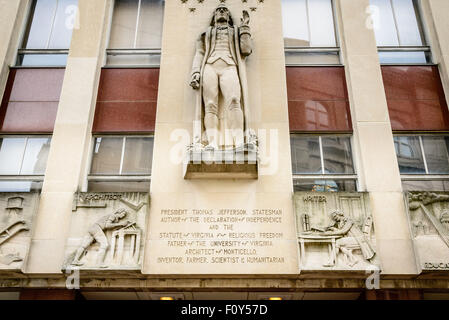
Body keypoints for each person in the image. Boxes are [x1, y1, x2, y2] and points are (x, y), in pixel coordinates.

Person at [190, 4, 253, 151]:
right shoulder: (205, 34)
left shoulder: (235, 31)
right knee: (210, 105)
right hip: (209, 67)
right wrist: (195, 72)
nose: (222, 11)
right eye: (218, 10)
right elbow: (199, 53)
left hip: (229, 66)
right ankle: (212, 142)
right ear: (214, 16)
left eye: (225, 10)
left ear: (229, 16)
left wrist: (245, 28)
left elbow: (246, 50)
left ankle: (239, 142)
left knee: (234, 101)